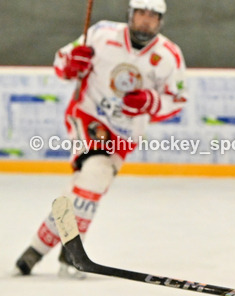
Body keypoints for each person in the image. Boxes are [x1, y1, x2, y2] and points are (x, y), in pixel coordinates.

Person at [14, 0, 186, 278]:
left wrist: (149, 101)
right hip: (89, 117)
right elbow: (62, 63)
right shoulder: (101, 34)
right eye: (140, 13)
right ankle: (71, 254)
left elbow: (177, 99)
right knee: (94, 174)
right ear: (130, 14)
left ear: (161, 20)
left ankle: (35, 249)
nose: (145, 20)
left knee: (87, 191)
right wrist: (72, 63)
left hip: (126, 133)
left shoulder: (169, 55)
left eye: (152, 15)